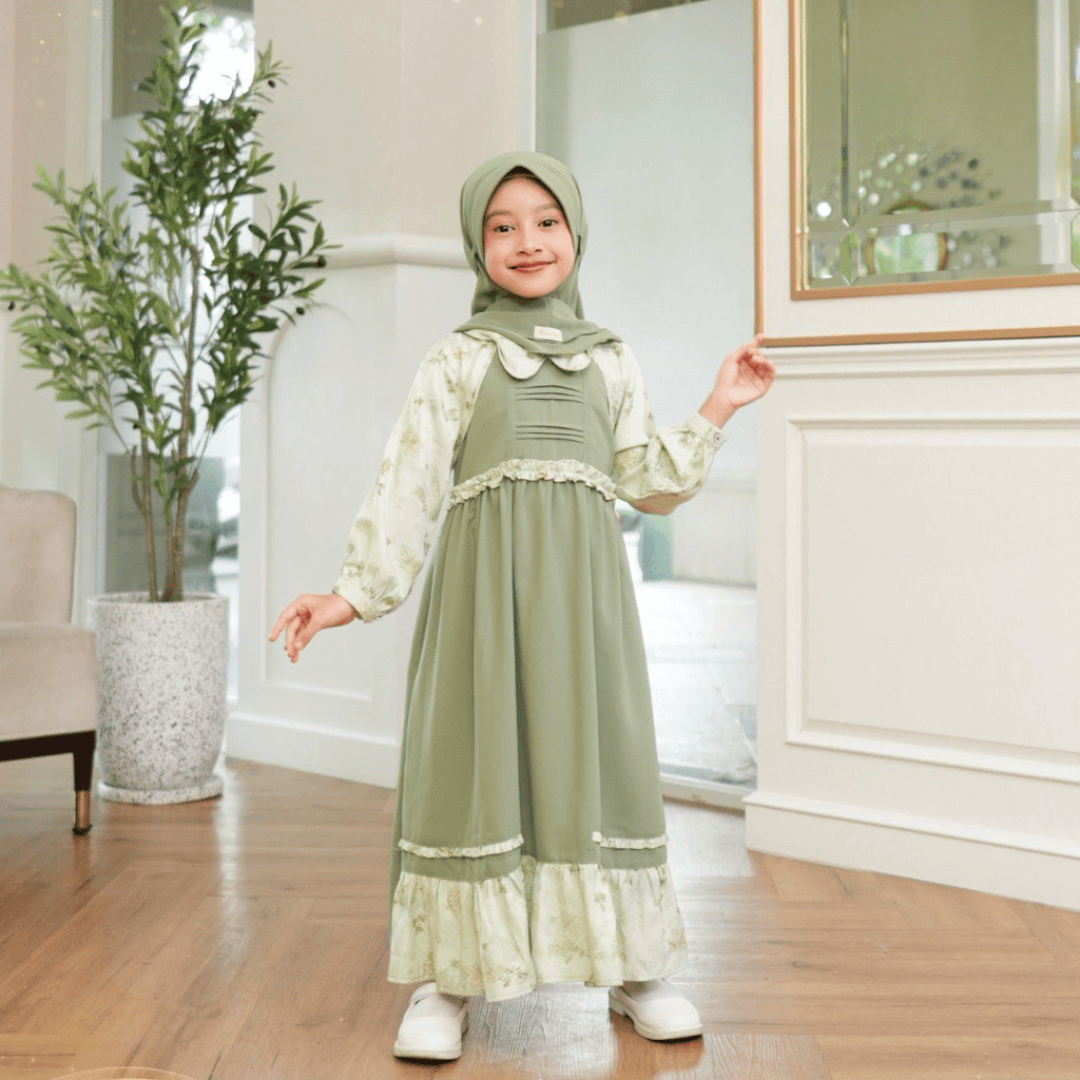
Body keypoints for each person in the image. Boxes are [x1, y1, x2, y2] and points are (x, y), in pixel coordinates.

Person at [269, 150, 774, 1061]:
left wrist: (719, 403)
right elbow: (409, 484)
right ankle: (449, 979)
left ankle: (634, 967)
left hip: (587, 612)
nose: (527, 241)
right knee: (474, 767)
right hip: (482, 608)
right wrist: (348, 596)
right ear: (478, 245)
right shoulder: (458, 358)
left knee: (603, 767)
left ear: (576, 234)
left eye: (546, 221)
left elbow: (646, 479)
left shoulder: (611, 359)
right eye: (502, 226)